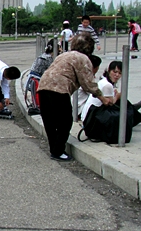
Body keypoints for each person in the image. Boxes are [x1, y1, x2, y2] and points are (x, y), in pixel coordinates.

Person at [37, 32, 112, 161]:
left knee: (49, 121)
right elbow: (88, 84)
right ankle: (58, 151)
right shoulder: (83, 59)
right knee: (65, 121)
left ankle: (55, 150)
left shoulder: (64, 55)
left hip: (43, 86)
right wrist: (103, 98)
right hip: (59, 89)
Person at [80, 60, 141, 129]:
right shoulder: (107, 85)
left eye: (120, 73)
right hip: (91, 118)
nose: (117, 75)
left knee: (123, 103)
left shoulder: (104, 81)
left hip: (91, 115)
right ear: (109, 71)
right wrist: (117, 96)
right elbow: (111, 103)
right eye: (115, 72)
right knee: (122, 102)